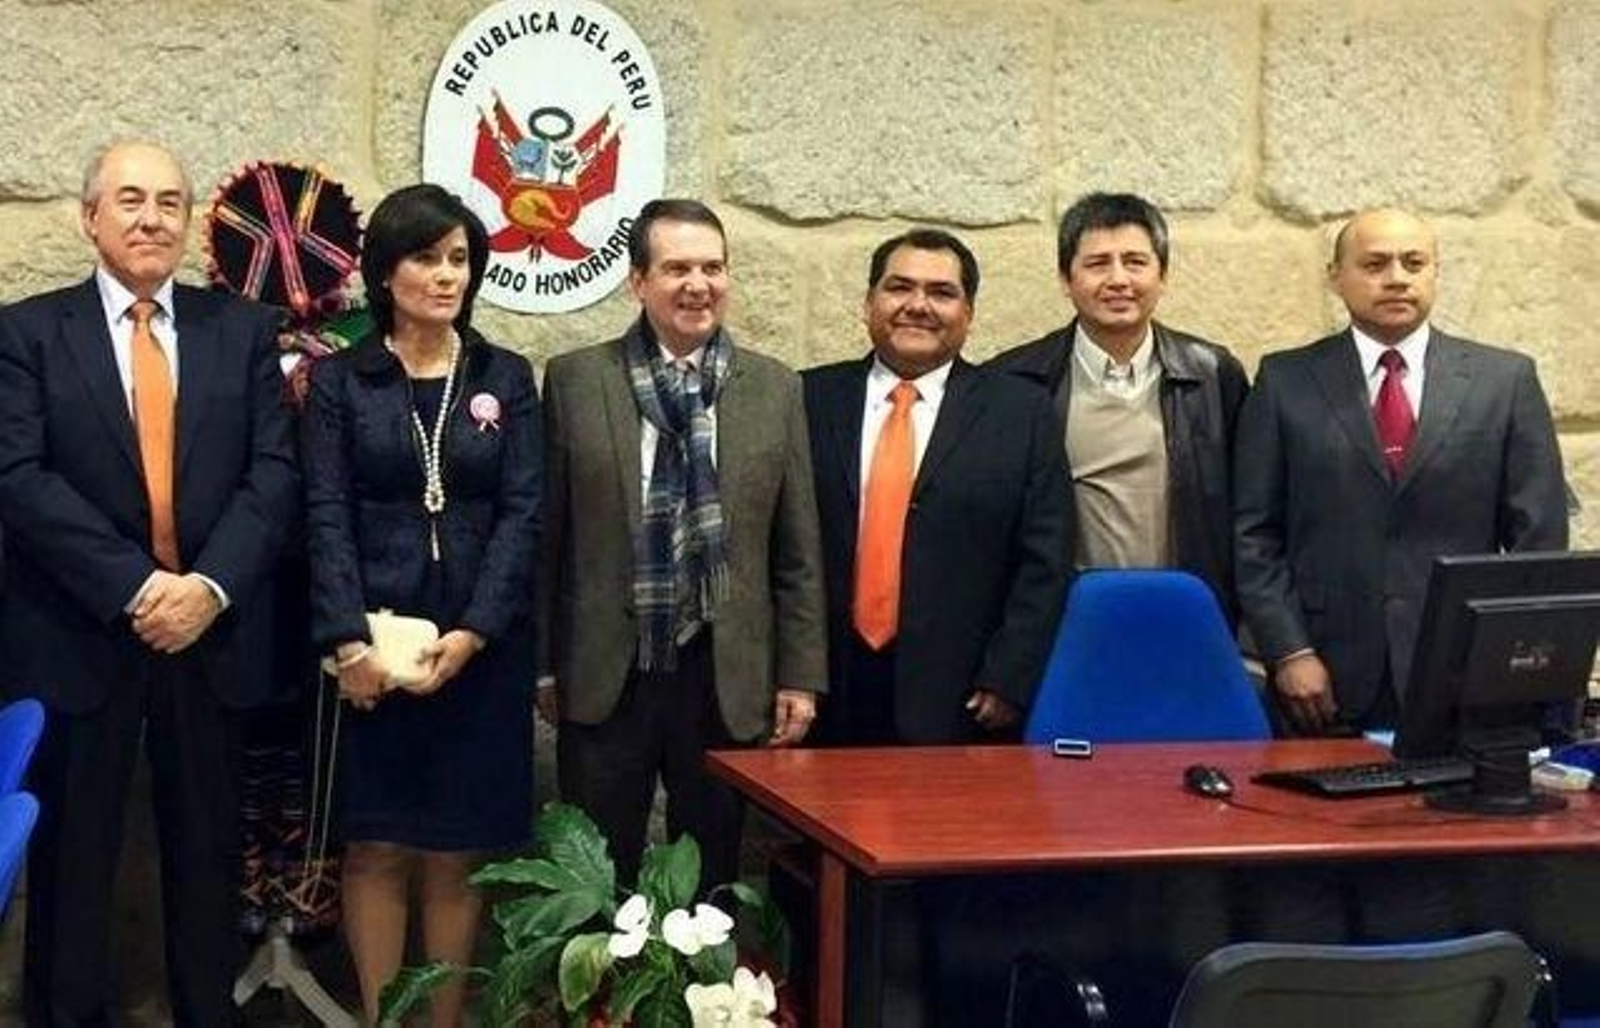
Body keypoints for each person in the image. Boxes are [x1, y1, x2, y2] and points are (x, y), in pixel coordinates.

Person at [0, 140, 299, 1026]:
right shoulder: (26, 334)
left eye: (169, 202)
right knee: (71, 864)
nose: (151, 218)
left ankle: (207, 1011)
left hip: (211, 638)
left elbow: (274, 476)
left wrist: (206, 589)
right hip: (79, 636)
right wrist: (139, 588)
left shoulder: (240, 331)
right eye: (129, 200)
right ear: (89, 217)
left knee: (207, 860)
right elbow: (18, 478)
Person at [301, 183, 541, 1024]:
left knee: (455, 849)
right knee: (377, 845)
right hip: (374, 645)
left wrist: (476, 631)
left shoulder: (504, 376)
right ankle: (382, 1017)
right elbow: (322, 511)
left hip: (479, 648)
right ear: (384, 270)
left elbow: (523, 512)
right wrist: (345, 645)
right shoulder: (343, 380)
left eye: (460, 260)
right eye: (426, 258)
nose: (446, 277)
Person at [536, 198, 826, 891]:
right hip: (609, 670)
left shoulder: (776, 388)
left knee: (713, 874)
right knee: (593, 882)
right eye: (676, 269)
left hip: (725, 675)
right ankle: (597, 1004)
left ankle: (707, 1004)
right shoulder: (577, 380)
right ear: (638, 282)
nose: (698, 284)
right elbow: (549, 540)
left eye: (712, 267)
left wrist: (800, 676)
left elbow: (797, 550)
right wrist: (541, 665)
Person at [1234, 207, 1568, 736]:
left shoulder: (1504, 381)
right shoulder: (1284, 382)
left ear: (1435, 272)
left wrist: (1514, 661)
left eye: (1414, 262)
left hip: (1463, 669)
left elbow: (1539, 541)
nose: (1396, 278)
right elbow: (1255, 535)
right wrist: (1288, 650)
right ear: (1335, 276)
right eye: (1374, 264)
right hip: (1324, 678)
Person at [804, 228, 1072, 745]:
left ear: (968, 313)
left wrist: (1009, 676)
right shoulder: (808, 398)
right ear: (868, 303)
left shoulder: (1020, 412)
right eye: (899, 287)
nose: (918, 305)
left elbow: (1045, 559)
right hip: (826, 686)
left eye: (942, 293)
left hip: (960, 695)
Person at [990, 192, 1247, 624]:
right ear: (1065, 279)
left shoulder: (1212, 373)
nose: (1118, 279)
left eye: (1135, 261)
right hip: (1063, 622)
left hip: (1189, 615)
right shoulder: (1015, 381)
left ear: (1162, 275)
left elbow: (1249, 511)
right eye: (1097, 264)